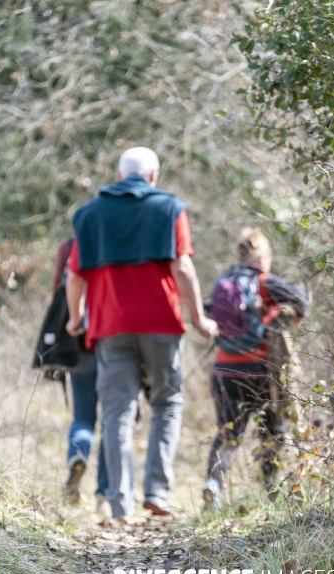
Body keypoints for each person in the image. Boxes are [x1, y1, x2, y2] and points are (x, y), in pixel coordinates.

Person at [66, 147, 218, 521]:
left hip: (108, 325)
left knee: (117, 412)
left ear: (119, 175)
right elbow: (182, 267)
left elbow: (74, 275)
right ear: (154, 176)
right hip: (161, 324)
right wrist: (198, 316)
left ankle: (119, 503)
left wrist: (75, 318)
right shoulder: (170, 209)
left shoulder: (88, 215)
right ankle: (158, 493)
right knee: (167, 403)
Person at [203, 227, 307, 508]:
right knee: (271, 432)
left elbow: (206, 311)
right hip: (260, 373)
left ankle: (213, 486)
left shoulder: (222, 283)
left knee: (227, 434)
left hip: (224, 371)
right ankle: (269, 492)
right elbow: (302, 300)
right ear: (262, 258)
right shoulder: (267, 282)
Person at [52, 238, 109, 508]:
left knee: (83, 417)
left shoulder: (70, 245)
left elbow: (57, 294)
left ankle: (77, 455)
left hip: (79, 345)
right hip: (113, 346)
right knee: (113, 419)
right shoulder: (118, 241)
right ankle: (104, 493)